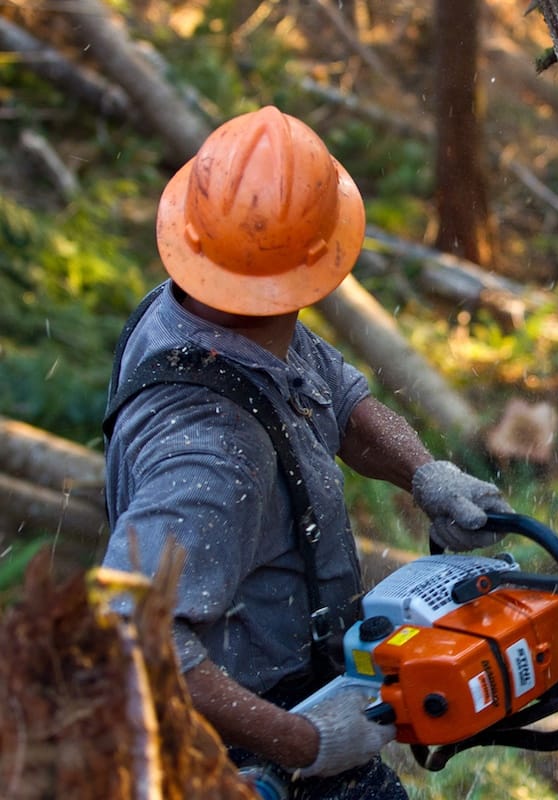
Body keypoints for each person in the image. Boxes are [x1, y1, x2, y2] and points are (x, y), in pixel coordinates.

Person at [102, 106, 511, 798]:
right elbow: (134, 636)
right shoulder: (211, 448)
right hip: (245, 753)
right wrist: (308, 742)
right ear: (316, 263)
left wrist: (425, 475)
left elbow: (340, 402)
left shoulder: (200, 309)